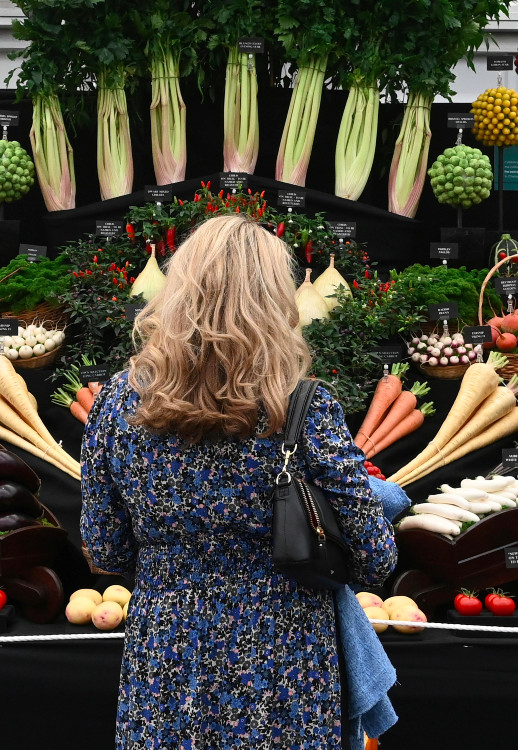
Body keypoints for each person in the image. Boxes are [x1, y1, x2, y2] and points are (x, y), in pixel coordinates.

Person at [80, 214, 398, 748]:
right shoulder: (304, 408)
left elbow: (105, 549)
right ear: (274, 303)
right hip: (284, 668)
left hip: (165, 660)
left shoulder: (116, 403)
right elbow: (375, 559)